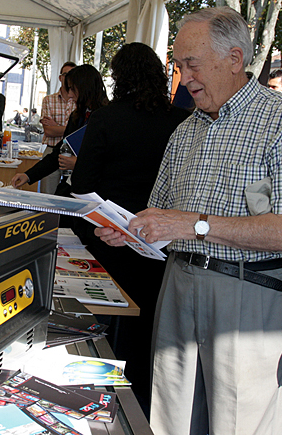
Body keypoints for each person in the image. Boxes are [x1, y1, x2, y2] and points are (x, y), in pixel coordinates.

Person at [95, 7, 282, 434]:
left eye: (192, 64)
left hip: (253, 293)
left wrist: (193, 225)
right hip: (179, 285)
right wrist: (129, 230)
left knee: (238, 421)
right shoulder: (186, 131)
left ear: (235, 59)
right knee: (172, 417)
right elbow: (164, 217)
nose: (184, 78)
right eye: (179, 66)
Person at [69, 43, 189, 416]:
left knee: (104, 331)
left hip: (110, 240)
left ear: (119, 77)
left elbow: (81, 186)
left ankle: (100, 407)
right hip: (163, 245)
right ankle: (139, 407)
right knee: (148, 332)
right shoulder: (181, 120)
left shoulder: (106, 119)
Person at [10, 64, 108, 197]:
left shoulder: (107, 118)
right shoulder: (77, 116)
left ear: (85, 88)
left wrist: (78, 165)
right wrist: (28, 175)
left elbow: (111, 163)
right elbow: (59, 151)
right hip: (72, 186)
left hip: (95, 193)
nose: (69, 95)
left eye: (73, 89)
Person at [39, 61, 76, 194]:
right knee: (46, 196)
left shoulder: (78, 100)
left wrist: (57, 127)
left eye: (72, 74)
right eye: (66, 74)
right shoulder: (48, 100)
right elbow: (48, 131)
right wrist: (69, 128)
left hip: (73, 155)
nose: (68, 78)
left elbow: (80, 131)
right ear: (60, 77)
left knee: (69, 193)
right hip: (52, 150)